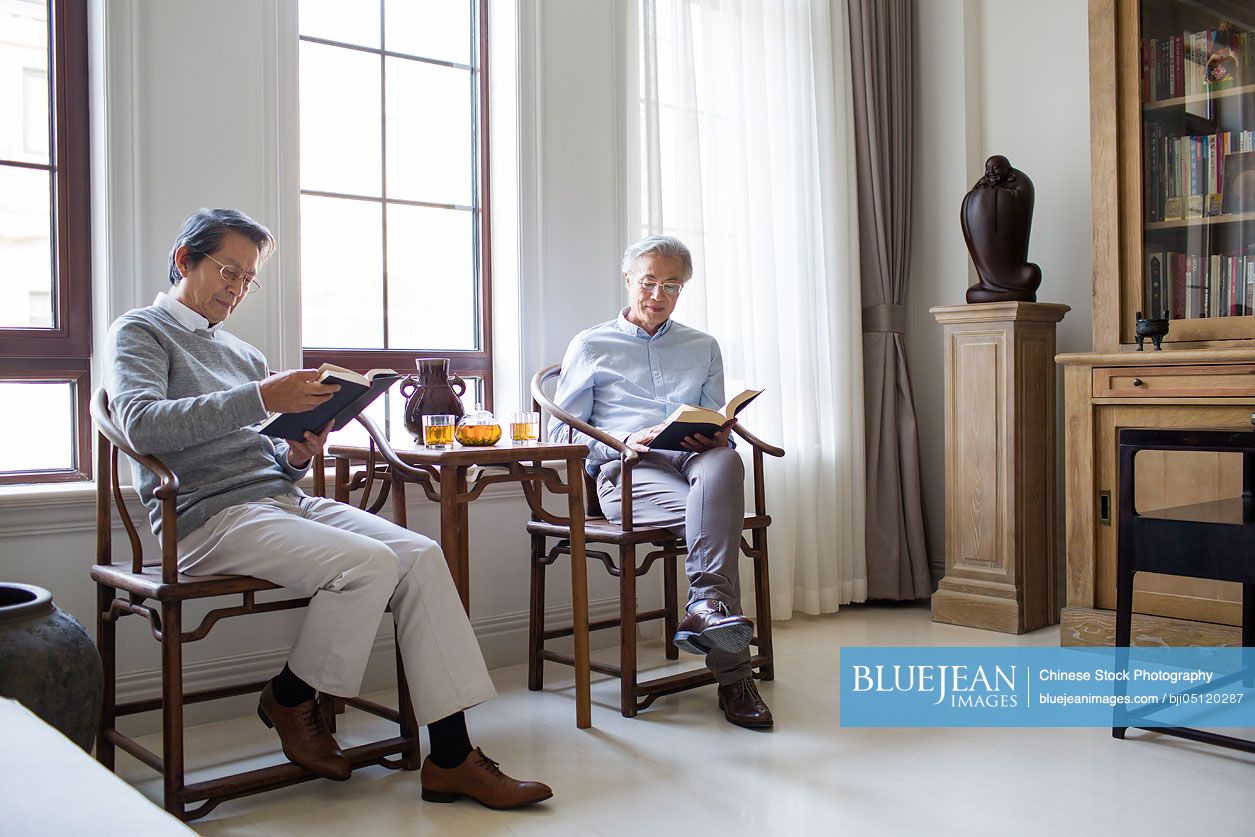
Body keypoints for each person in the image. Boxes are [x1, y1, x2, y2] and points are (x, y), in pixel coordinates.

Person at [104, 208, 551, 809]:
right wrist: (263, 396)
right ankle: (291, 697)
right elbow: (140, 423)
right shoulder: (140, 331)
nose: (235, 290)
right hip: (205, 517)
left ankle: (451, 757)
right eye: (227, 271)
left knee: (419, 555)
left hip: (279, 499)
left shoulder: (241, 351)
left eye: (246, 279)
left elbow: (254, 443)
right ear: (185, 259)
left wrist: (295, 453)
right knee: (366, 563)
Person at [550, 235, 772, 729]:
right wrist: (626, 440)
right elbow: (560, 432)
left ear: (682, 289)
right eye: (649, 281)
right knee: (714, 525)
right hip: (630, 474)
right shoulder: (590, 344)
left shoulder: (703, 346)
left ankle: (704, 607)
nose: (658, 294)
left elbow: (717, 419)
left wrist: (718, 435)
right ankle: (733, 675)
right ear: (629, 279)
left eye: (671, 285)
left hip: (693, 462)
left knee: (726, 466)